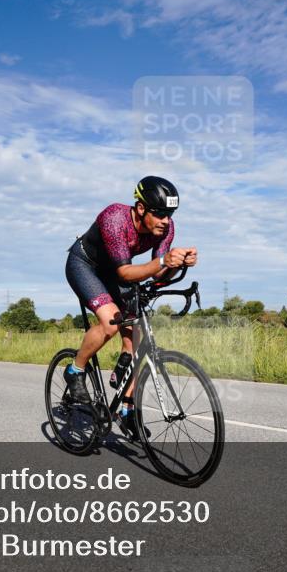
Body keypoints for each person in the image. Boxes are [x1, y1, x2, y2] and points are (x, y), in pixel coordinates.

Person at [63, 176, 198, 440]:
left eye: (170, 214)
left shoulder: (166, 228)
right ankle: (75, 370)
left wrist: (176, 264)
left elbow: (158, 276)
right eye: (160, 213)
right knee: (110, 322)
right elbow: (125, 273)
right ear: (140, 208)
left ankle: (127, 409)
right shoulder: (115, 218)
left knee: (140, 341)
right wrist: (163, 261)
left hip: (115, 271)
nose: (166, 220)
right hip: (85, 266)